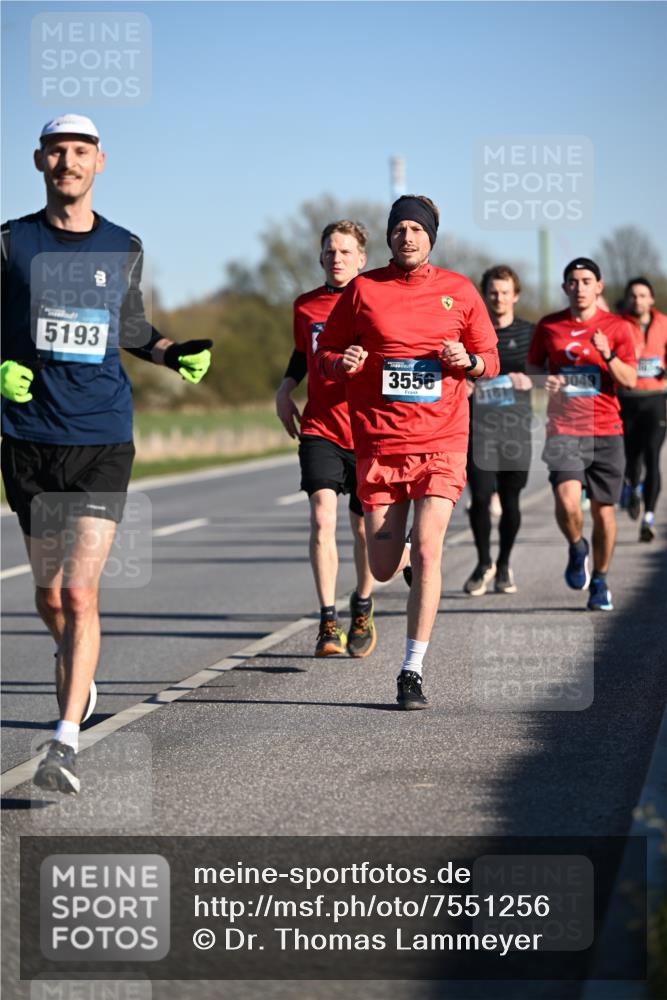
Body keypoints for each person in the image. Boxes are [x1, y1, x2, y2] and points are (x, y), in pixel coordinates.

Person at [1, 114, 213, 794]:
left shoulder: (123, 245)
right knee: (46, 593)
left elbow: (129, 328)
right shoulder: (10, 243)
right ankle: (75, 663)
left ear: (100, 162)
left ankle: (64, 742)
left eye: (81, 151)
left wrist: (171, 351)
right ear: (39, 161)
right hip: (29, 441)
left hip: (101, 437)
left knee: (78, 588)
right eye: (58, 151)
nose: (69, 161)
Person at [317, 195, 499, 709]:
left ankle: (411, 669)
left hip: (441, 440)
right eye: (399, 228)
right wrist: (342, 362)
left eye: (417, 229)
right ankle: (409, 571)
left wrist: (470, 361)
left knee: (428, 547)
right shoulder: (362, 290)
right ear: (390, 236)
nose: (408, 237)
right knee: (380, 565)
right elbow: (324, 353)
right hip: (379, 442)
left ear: (430, 237)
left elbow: (490, 358)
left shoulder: (459, 291)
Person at [275, 221, 376, 657]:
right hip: (321, 427)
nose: (337, 258)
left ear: (361, 259)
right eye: (330, 251)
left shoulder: (378, 302)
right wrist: (284, 388)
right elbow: (303, 353)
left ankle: (363, 607)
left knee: (364, 527)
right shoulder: (305, 306)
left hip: (370, 428)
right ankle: (328, 621)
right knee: (321, 518)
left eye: (345, 251)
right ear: (321, 258)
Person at [527, 258, 636, 611]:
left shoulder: (617, 328)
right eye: (573, 281)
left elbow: (630, 379)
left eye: (586, 280)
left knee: (605, 513)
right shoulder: (549, 326)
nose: (579, 287)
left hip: (606, 430)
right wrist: (547, 381)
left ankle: (601, 580)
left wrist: (606, 354)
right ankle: (577, 547)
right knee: (567, 502)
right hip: (564, 430)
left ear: (599, 286)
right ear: (565, 288)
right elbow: (533, 369)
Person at [464, 265, 535, 596]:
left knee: (510, 501)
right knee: (479, 499)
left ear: (515, 295)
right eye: (493, 292)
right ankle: (483, 564)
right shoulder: (472, 332)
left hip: (515, 430)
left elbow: (551, 375)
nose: (499, 298)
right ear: (485, 294)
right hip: (478, 429)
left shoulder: (530, 334)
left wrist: (529, 380)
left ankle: (504, 564)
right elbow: (456, 370)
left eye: (505, 292)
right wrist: (465, 383)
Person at [618, 277, 667, 541]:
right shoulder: (618, 325)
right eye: (633, 295)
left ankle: (649, 517)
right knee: (631, 457)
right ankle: (632, 486)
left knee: (652, 457)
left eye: (643, 295)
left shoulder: (664, 324)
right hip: (626, 399)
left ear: (651, 299)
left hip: (655, 399)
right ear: (627, 299)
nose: (638, 300)